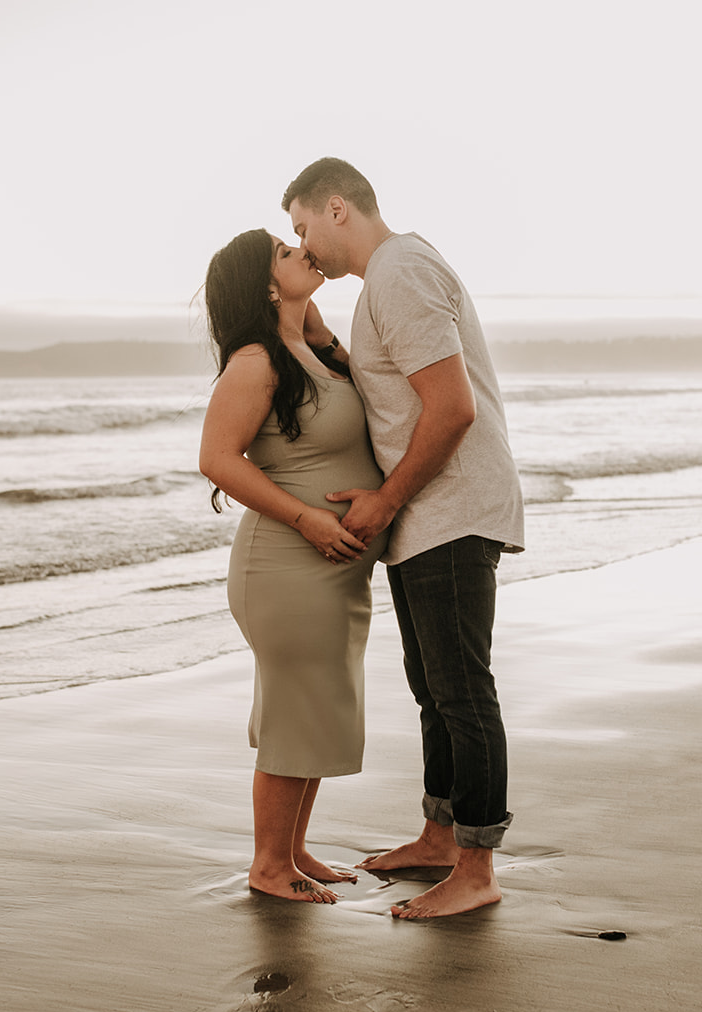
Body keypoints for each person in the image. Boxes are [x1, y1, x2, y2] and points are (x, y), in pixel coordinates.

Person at [284, 158, 526, 919]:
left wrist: (386, 500)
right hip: (429, 517)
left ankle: (478, 865)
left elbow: (450, 409)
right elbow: (399, 389)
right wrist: (328, 345)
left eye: (301, 228)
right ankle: (439, 836)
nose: (303, 245)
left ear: (336, 209)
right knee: (432, 689)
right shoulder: (388, 280)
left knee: (462, 692)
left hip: (448, 512)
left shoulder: (399, 272)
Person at [198, 227, 388, 904]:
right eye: (286, 250)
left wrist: (309, 317)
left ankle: (294, 849)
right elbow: (218, 459)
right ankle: (268, 864)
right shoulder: (255, 360)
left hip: (331, 567)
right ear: (267, 283)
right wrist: (308, 517)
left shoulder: (308, 349)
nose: (303, 248)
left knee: (313, 707)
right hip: (287, 563)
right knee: (293, 710)